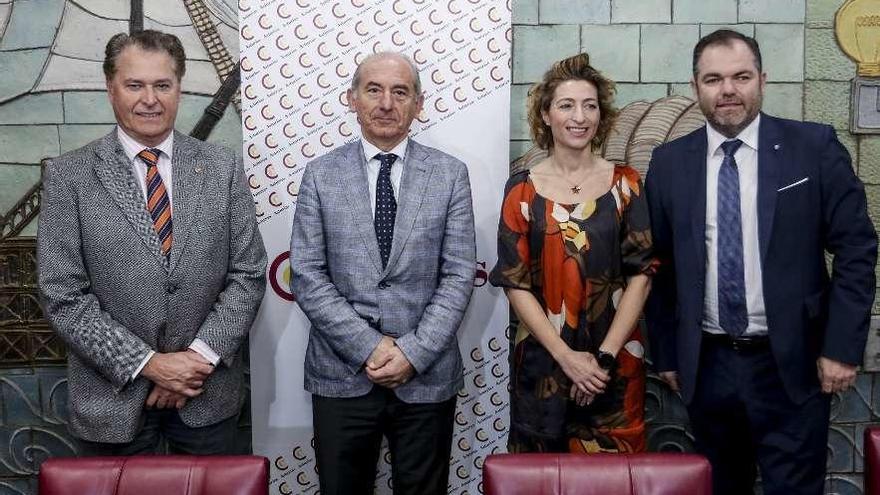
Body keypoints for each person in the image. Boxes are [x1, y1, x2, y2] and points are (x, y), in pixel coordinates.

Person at [645, 29, 877, 495]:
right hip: (707, 366)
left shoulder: (813, 147)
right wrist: (668, 353)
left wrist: (841, 348)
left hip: (794, 363)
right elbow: (659, 265)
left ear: (762, 81)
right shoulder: (669, 162)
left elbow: (856, 248)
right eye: (713, 79)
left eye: (740, 76)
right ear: (696, 88)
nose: (727, 89)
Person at [37, 30, 267, 455]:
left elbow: (248, 274)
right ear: (111, 89)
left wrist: (196, 361)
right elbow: (63, 295)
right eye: (135, 85)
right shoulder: (69, 177)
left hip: (207, 397)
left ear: (179, 88)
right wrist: (152, 366)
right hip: (111, 401)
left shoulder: (222, 169)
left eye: (162, 85)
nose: (150, 99)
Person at [289, 52, 476, 495]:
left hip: (426, 376)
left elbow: (458, 273)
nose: (386, 103)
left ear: (418, 104)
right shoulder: (320, 175)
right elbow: (308, 275)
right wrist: (369, 346)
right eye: (373, 90)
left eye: (400, 91)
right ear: (352, 99)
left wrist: (412, 352)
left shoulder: (450, 175)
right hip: (341, 374)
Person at [489, 53, 657, 454]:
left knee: (615, 481)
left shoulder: (626, 185)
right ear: (546, 115)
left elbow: (642, 274)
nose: (579, 116)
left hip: (613, 367)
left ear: (601, 114)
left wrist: (601, 359)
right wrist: (567, 357)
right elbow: (515, 284)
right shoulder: (522, 190)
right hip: (545, 365)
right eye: (566, 105)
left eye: (590, 105)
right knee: (542, 478)